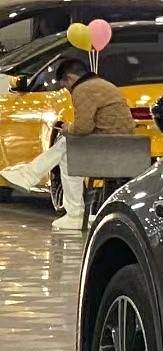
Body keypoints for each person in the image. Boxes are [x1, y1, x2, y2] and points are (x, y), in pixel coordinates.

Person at [0, 58, 135, 231]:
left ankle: (73, 212)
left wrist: (67, 128)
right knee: (66, 149)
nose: (68, 89)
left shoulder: (83, 89)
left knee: (67, 146)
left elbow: (82, 128)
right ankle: (32, 178)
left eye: (65, 85)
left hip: (106, 149)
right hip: (122, 147)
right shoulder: (104, 85)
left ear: (70, 78)